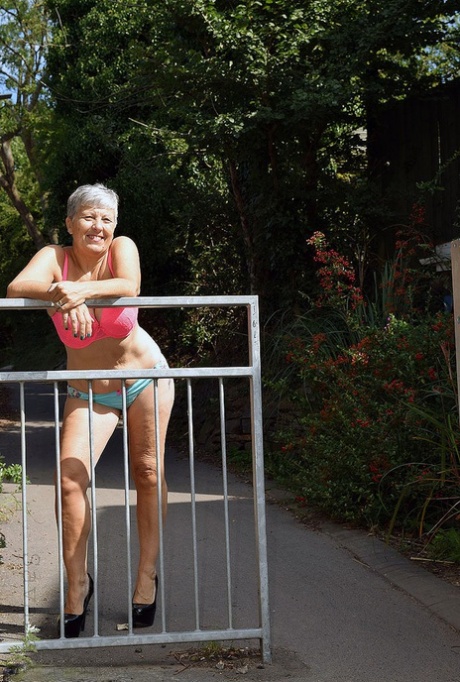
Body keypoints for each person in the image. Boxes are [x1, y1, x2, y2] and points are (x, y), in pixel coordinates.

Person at [7, 183, 174, 637]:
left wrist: (81, 295)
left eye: (106, 218)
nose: (98, 226)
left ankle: (146, 578)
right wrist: (65, 292)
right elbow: (18, 285)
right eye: (89, 217)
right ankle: (78, 584)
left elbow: (129, 284)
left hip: (144, 378)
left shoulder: (121, 248)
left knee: (147, 472)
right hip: (87, 390)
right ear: (70, 222)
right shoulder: (53, 257)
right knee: (68, 481)